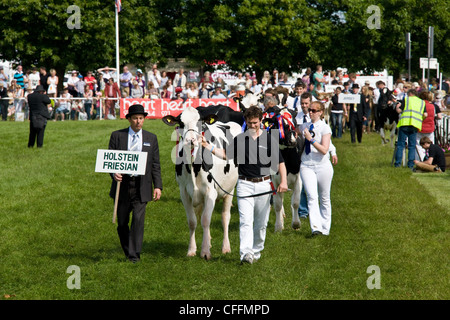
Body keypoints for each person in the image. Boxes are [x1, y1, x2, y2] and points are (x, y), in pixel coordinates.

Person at [201, 106, 288, 264]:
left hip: (264, 184)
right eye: (249, 123)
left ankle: (256, 251)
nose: (252, 126)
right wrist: (209, 147)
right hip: (244, 185)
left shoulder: (269, 139)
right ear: (246, 122)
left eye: (255, 123)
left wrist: (283, 181)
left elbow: (280, 162)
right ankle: (246, 254)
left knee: (261, 224)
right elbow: (227, 155)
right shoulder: (240, 139)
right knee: (245, 221)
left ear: (261, 121)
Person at [108, 104, 162, 263]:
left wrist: (157, 185)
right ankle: (128, 250)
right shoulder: (117, 136)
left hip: (142, 186)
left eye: (141, 118)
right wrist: (113, 173)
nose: (138, 122)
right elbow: (111, 160)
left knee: (138, 223)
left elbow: (155, 164)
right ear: (129, 119)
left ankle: (134, 256)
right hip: (123, 186)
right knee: (122, 223)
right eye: (135, 118)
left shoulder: (151, 138)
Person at [300, 101, 334, 236]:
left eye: (314, 110)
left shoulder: (325, 128)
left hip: (323, 166)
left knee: (324, 197)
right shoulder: (304, 126)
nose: (311, 112)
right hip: (306, 165)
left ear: (321, 112)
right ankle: (316, 227)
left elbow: (324, 150)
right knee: (312, 196)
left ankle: (325, 228)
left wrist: (311, 140)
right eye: (310, 110)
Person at [394, 89, 427, 169]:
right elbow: (425, 114)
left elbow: (399, 111)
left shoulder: (406, 99)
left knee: (400, 144)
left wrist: (397, 107)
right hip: (415, 125)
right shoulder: (422, 102)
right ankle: (411, 165)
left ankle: (398, 164)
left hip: (405, 123)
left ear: (410, 94)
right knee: (412, 146)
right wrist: (420, 119)